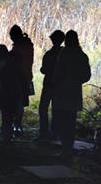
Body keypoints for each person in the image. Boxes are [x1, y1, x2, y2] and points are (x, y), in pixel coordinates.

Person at [52, 30, 91, 158]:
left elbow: (57, 73)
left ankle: (65, 148)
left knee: (63, 121)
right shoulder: (82, 55)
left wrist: (57, 85)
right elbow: (87, 75)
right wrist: (76, 80)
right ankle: (68, 148)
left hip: (62, 92)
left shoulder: (64, 54)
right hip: (74, 92)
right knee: (71, 121)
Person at [37, 30, 65, 141]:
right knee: (56, 110)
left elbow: (44, 69)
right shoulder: (64, 54)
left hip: (48, 84)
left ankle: (44, 133)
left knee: (43, 108)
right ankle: (54, 133)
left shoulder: (49, 54)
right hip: (59, 85)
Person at [9, 25, 34, 136]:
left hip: (19, 77)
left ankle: (16, 125)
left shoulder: (19, 47)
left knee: (16, 102)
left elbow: (16, 62)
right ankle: (18, 125)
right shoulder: (28, 45)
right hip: (26, 76)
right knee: (20, 103)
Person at [0, 51, 25, 144]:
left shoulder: (3, 70)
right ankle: (9, 136)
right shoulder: (19, 72)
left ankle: (6, 137)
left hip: (5, 97)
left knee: (6, 118)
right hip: (15, 97)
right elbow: (23, 86)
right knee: (14, 117)